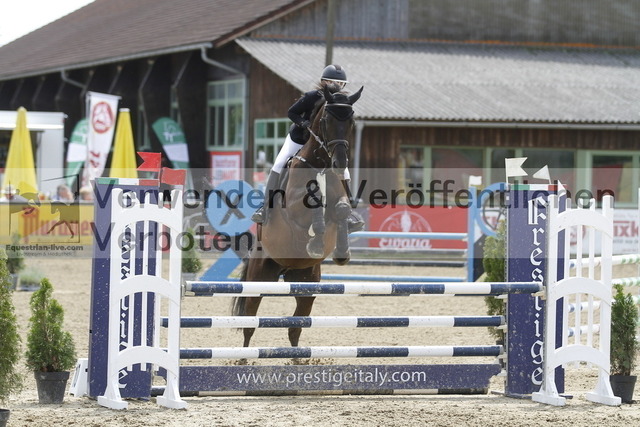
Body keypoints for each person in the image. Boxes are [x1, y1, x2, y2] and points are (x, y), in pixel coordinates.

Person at [251, 64, 364, 231]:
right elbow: (292, 112)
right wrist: (303, 122)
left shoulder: (342, 103)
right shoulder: (312, 97)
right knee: (279, 163)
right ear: (324, 82)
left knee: (344, 170)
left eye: (341, 83)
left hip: (324, 144)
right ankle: (265, 207)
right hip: (300, 138)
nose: (338, 86)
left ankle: (348, 212)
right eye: (333, 82)